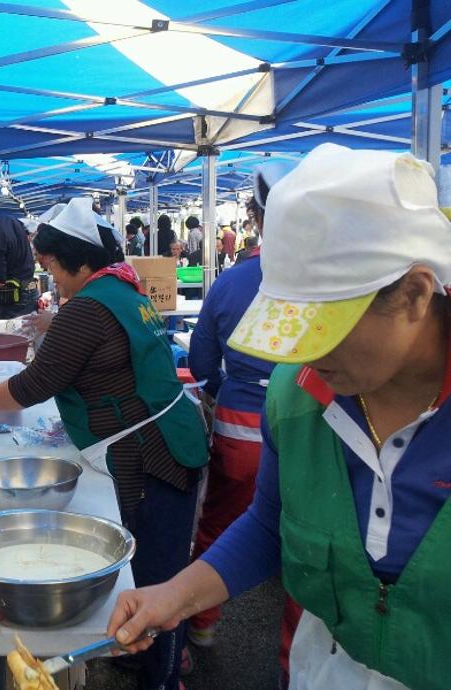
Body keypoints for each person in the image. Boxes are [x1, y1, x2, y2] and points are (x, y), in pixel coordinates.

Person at [106, 144, 451, 690]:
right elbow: (271, 523)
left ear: (413, 294)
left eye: (325, 329)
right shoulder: (299, 395)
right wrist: (173, 596)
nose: (304, 357)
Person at [0, 197, 208, 690]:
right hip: (167, 437)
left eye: (52, 267)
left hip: (152, 454)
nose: (51, 278)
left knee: (157, 572)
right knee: (155, 561)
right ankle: (148, 653)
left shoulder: (87, 307)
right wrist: (53, 325)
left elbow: (34, 383)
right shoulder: (120, 289)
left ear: (79, 261)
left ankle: (166, 674)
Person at [185, 161, 296, 674]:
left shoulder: (231, 282)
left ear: (254, 215)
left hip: (239, 424)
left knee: (221, 523)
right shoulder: (322, 283)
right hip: (312, 430)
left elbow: (202, 361)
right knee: (309, 536)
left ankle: (202, 623)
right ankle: (294, 657)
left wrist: (214, 394)